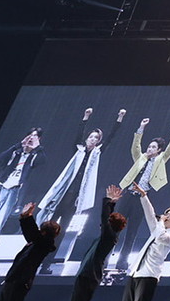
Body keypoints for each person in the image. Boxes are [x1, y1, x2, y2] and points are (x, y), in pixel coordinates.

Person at [37, 107, 126, 261]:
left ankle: (48, 261)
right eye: (91, 137)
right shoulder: (78, 150)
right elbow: (79, 134)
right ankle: (40, 254)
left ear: (98, 141)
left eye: (96, 138)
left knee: (63, 229)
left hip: (75, 199)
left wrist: (119, 118)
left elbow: (111, 137)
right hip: (63, 194)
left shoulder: (97, 153)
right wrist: (85, 117)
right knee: (50, 225)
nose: (93, 139)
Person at [113, 116, 170, 263]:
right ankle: (105, 257)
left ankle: (122, 261)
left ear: (159, 150)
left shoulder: (160, 160)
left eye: (153, 147)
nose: (149, 149)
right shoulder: (140, 158)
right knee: (115, 227)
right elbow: (135, 147)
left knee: (132, 231)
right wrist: (141, 128)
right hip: (129, 195)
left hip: (141, 199)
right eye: (149, 146)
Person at [60, 185, 127, 301]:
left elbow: (105, 219)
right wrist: (111, 204)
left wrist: (108, 201)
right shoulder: (108, 236)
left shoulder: (109, 236)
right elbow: (107, 221)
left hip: (89, 275)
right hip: (88, 274)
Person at [0, 127, 44, 233]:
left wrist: (37, 148)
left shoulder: (35, 156)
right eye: (30, 135)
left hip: (15, 188)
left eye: (35, 136)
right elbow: (0, 159)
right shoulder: (16, 152)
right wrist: (18, 145)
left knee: (1, 216)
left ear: (39, 139)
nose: (31, 138)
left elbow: (42, 162)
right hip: (1, 185)